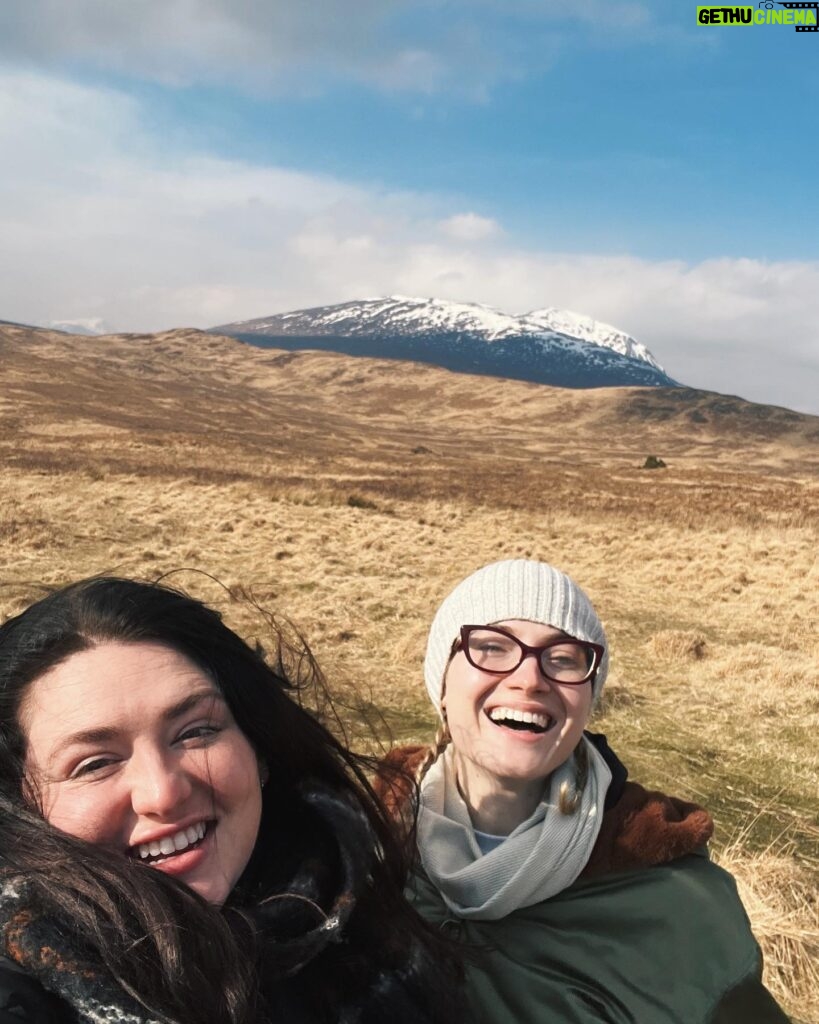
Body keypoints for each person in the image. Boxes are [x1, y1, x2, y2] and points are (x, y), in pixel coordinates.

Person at [0, 576, 464, 1024]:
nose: (162, 793)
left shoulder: (357, 910)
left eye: (196, 732)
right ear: (20, 806)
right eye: (95, 763)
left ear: (259, 746)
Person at [384, 559, 789, 1023]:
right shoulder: (360, 850)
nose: (529, 679)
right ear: (442, 683)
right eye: (492, 648)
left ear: (588, 698)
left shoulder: (674, 904)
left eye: (562, 658)